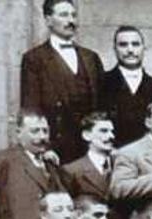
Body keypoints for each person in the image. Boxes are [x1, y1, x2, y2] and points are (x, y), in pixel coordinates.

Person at [20, 0, 103, 162]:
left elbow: (102, 105)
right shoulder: (34, 59)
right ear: (48, 20)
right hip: (56, 149)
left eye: (73, 15)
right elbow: (31, 108)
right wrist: (44, 148)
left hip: (90, 147)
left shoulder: (91, 58)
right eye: (64, 15)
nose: (70, 21)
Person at [0, 109, 65, 219]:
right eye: (35, 131)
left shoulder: (50, 164)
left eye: (45, 131)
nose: (42, 137)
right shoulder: (3, 160)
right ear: (19, 133)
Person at [100, 25, 152, 147]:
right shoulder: (100, 84)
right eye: (123, 45)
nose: (130, 50)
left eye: (135, 44)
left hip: (151, 159)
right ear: (115, 49)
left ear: (144, 48)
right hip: (112, 156)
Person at [61, 111, 116, 201]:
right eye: (104, 131)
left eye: (112, 131)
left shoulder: (122, 164)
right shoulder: (72, 171)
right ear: (86, 135)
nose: (111, 136)